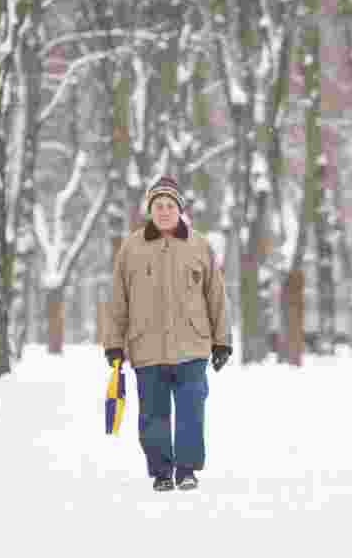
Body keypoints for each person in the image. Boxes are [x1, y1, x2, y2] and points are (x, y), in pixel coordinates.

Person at [104, 175, 232, 492]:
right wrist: (114, 345)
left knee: (191, 412)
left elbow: (216, 295)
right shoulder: (131, 248)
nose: (163, 211)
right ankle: (162, 472)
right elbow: (117, 300)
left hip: (193, 345)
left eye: (169, 205)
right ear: (150, 209)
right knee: (153, 416)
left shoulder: (199, 245)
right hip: (146, 347)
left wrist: (222, 341)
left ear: (179, 209)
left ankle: (186, 470)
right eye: (158, 206)